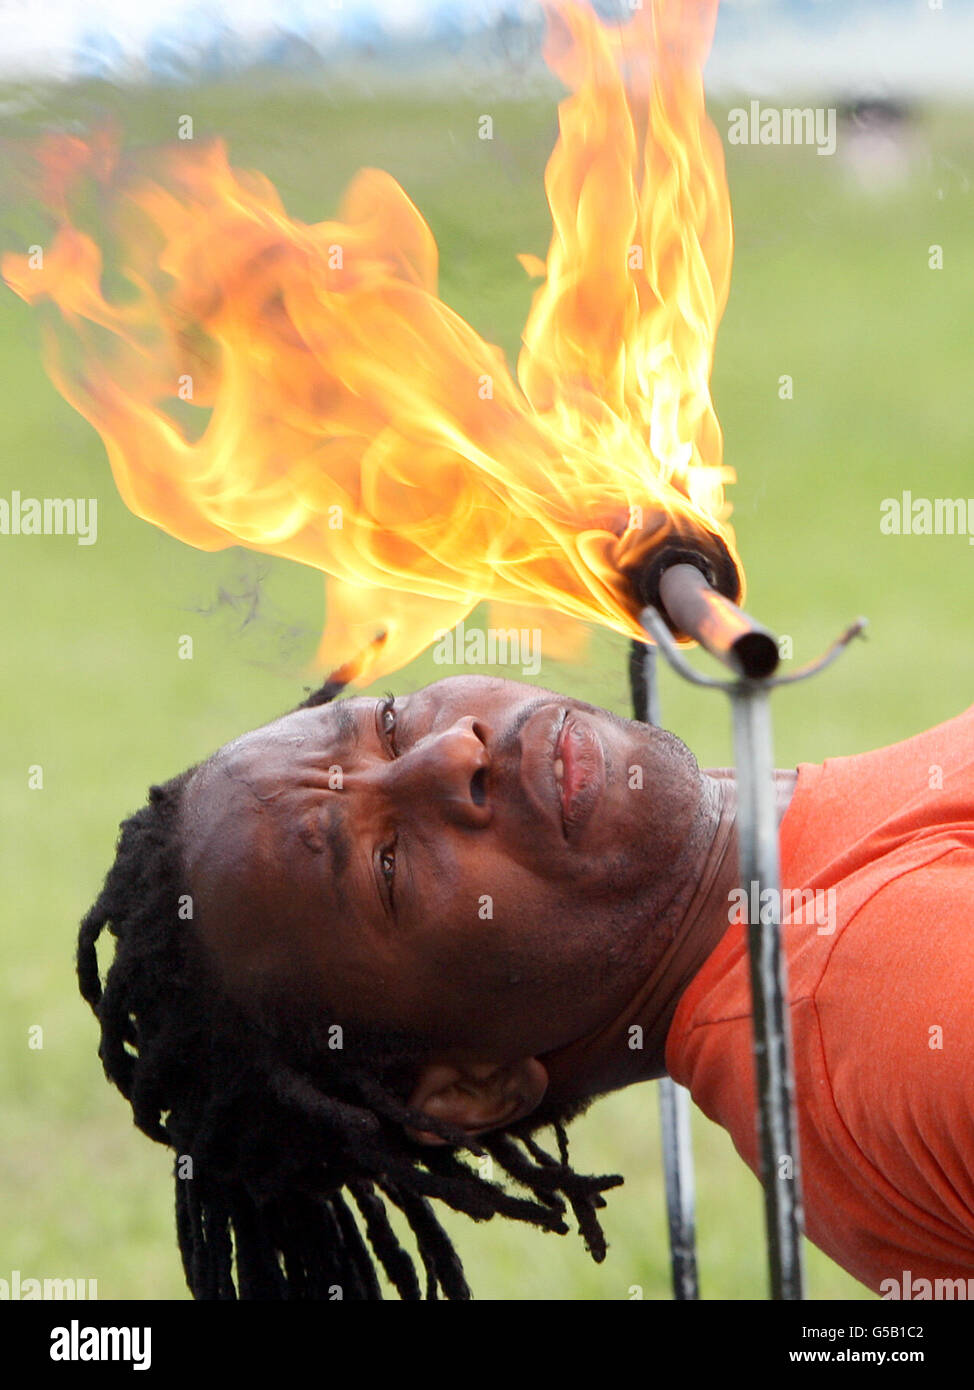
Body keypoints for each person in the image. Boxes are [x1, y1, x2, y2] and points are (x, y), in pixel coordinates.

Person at [78, 672, 974, 1299]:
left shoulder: (840, 855)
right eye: (388, 866)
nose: (448, 753)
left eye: (388, 723)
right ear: (471, 1087)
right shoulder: (891, 1020)